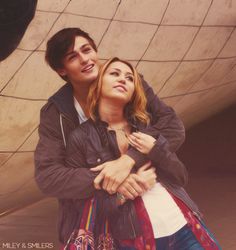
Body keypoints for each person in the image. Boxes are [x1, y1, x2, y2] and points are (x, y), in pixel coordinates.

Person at [34, 28, 185, 246]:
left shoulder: (128, 82)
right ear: (62, 69)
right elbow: (48, 176)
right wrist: (112, 179)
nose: (85, 59)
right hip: (94, 220)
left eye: (87, 50)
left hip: (153, 209)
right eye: (73, 56)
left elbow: (173, 127)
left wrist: (129, 160)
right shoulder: (56, 113)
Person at [63, 57, 221, 250]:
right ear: (97, 84)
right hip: (136, 239)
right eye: (114, 74)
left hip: (184, 225)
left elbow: (180, 177)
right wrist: (123, 193)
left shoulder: (146, 125)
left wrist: (156, 151)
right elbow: (76, 204)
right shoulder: (80, 138)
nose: (123, 79)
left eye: (130, 78)